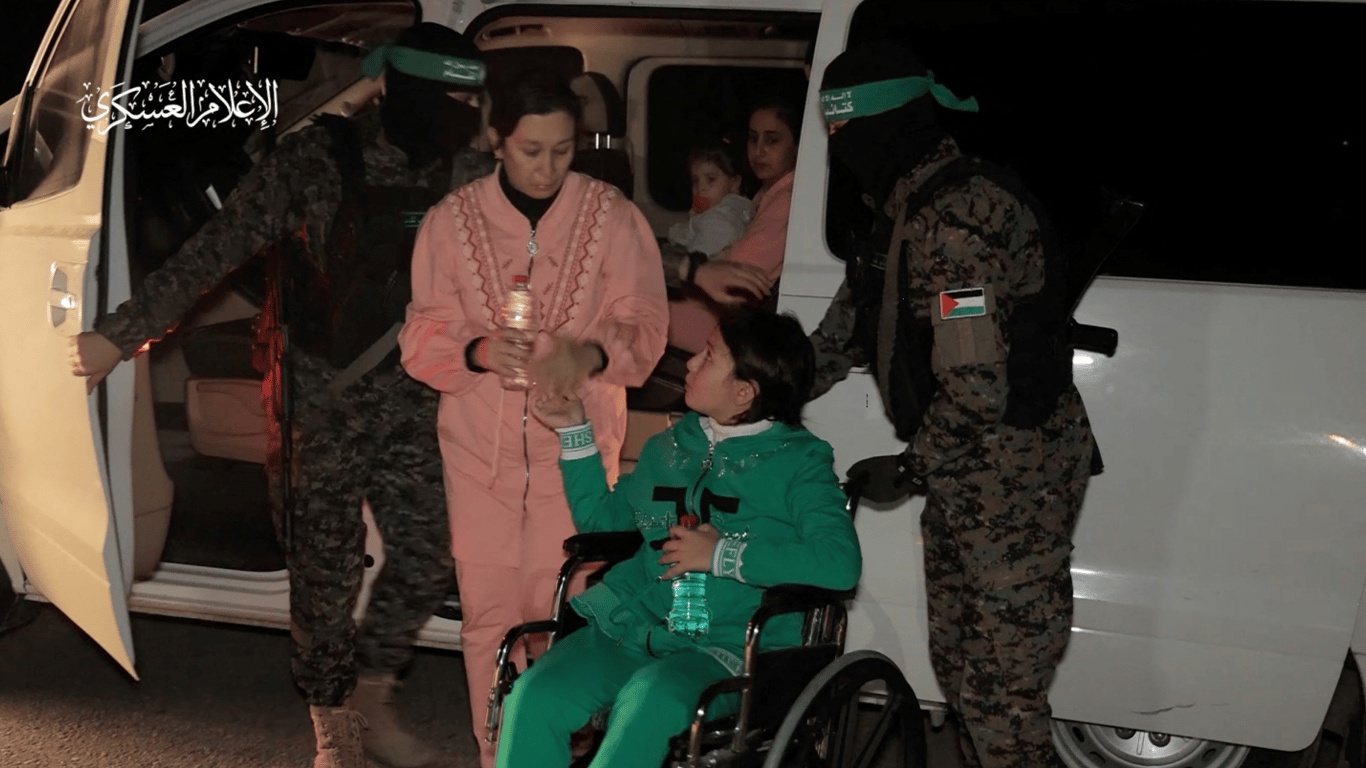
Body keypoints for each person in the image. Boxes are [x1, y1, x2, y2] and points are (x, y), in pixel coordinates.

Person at [67, 23, 487, 768]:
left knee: (429, 552)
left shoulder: (467, 171)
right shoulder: (318, 158)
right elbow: (215, 249)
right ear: (404, 89)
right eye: (449, 98)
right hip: (321, 399)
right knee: (324, 569)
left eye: (472, 100)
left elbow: (553, 233)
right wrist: (120, 335)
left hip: (420, 398)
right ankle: (335, 723)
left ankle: (373, 694)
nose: (465, 114)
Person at [808, 41, 1095, 768]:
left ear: (889, 125)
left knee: (1002, 699)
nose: (840, 149)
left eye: (844, 132)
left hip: (1014, 480)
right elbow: (846, 332)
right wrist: (756, 381)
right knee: (964, 674)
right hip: (963, 475)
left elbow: (975, 389)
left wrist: (908, 470)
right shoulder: (901, 213)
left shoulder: (960, 221)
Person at [397, 69, 669, 768]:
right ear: (496, 140)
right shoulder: (452, 221)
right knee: (488, 620)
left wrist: (589, 353)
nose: (547, 168)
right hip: (476, 458)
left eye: (562, 150)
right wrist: (478, 349)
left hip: (572, 455)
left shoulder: (611, 217)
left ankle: (558, 752)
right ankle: (496, 757)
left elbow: (644, 324)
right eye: (530, 150)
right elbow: (421, 335)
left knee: (564, 615)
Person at [495, 309, 862, 768]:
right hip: (638, 625)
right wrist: (574, 431)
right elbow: (603, 522)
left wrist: (722, 555)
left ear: (744, 391)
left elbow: (839, 563)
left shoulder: (799, 463)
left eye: (708, 356)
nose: (689, 363)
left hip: (729, 647)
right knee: (535, 694)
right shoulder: (670, 447)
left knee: (648, 701)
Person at [667, 91, 803, 353]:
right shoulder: (765, 194)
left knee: (634, 316)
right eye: (753, 139)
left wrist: (681, 268)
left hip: (730, 321)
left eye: (772, 140)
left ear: (796, 146)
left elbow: (737, 268)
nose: (759, 150)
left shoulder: (787, 201)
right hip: (722, 307)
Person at [666, 142, 755, 258]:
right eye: (695, 181)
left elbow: (696, 254)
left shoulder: (720, 219)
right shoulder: (734, 210)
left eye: (711, 179)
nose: (700, 188)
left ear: (734, 184)